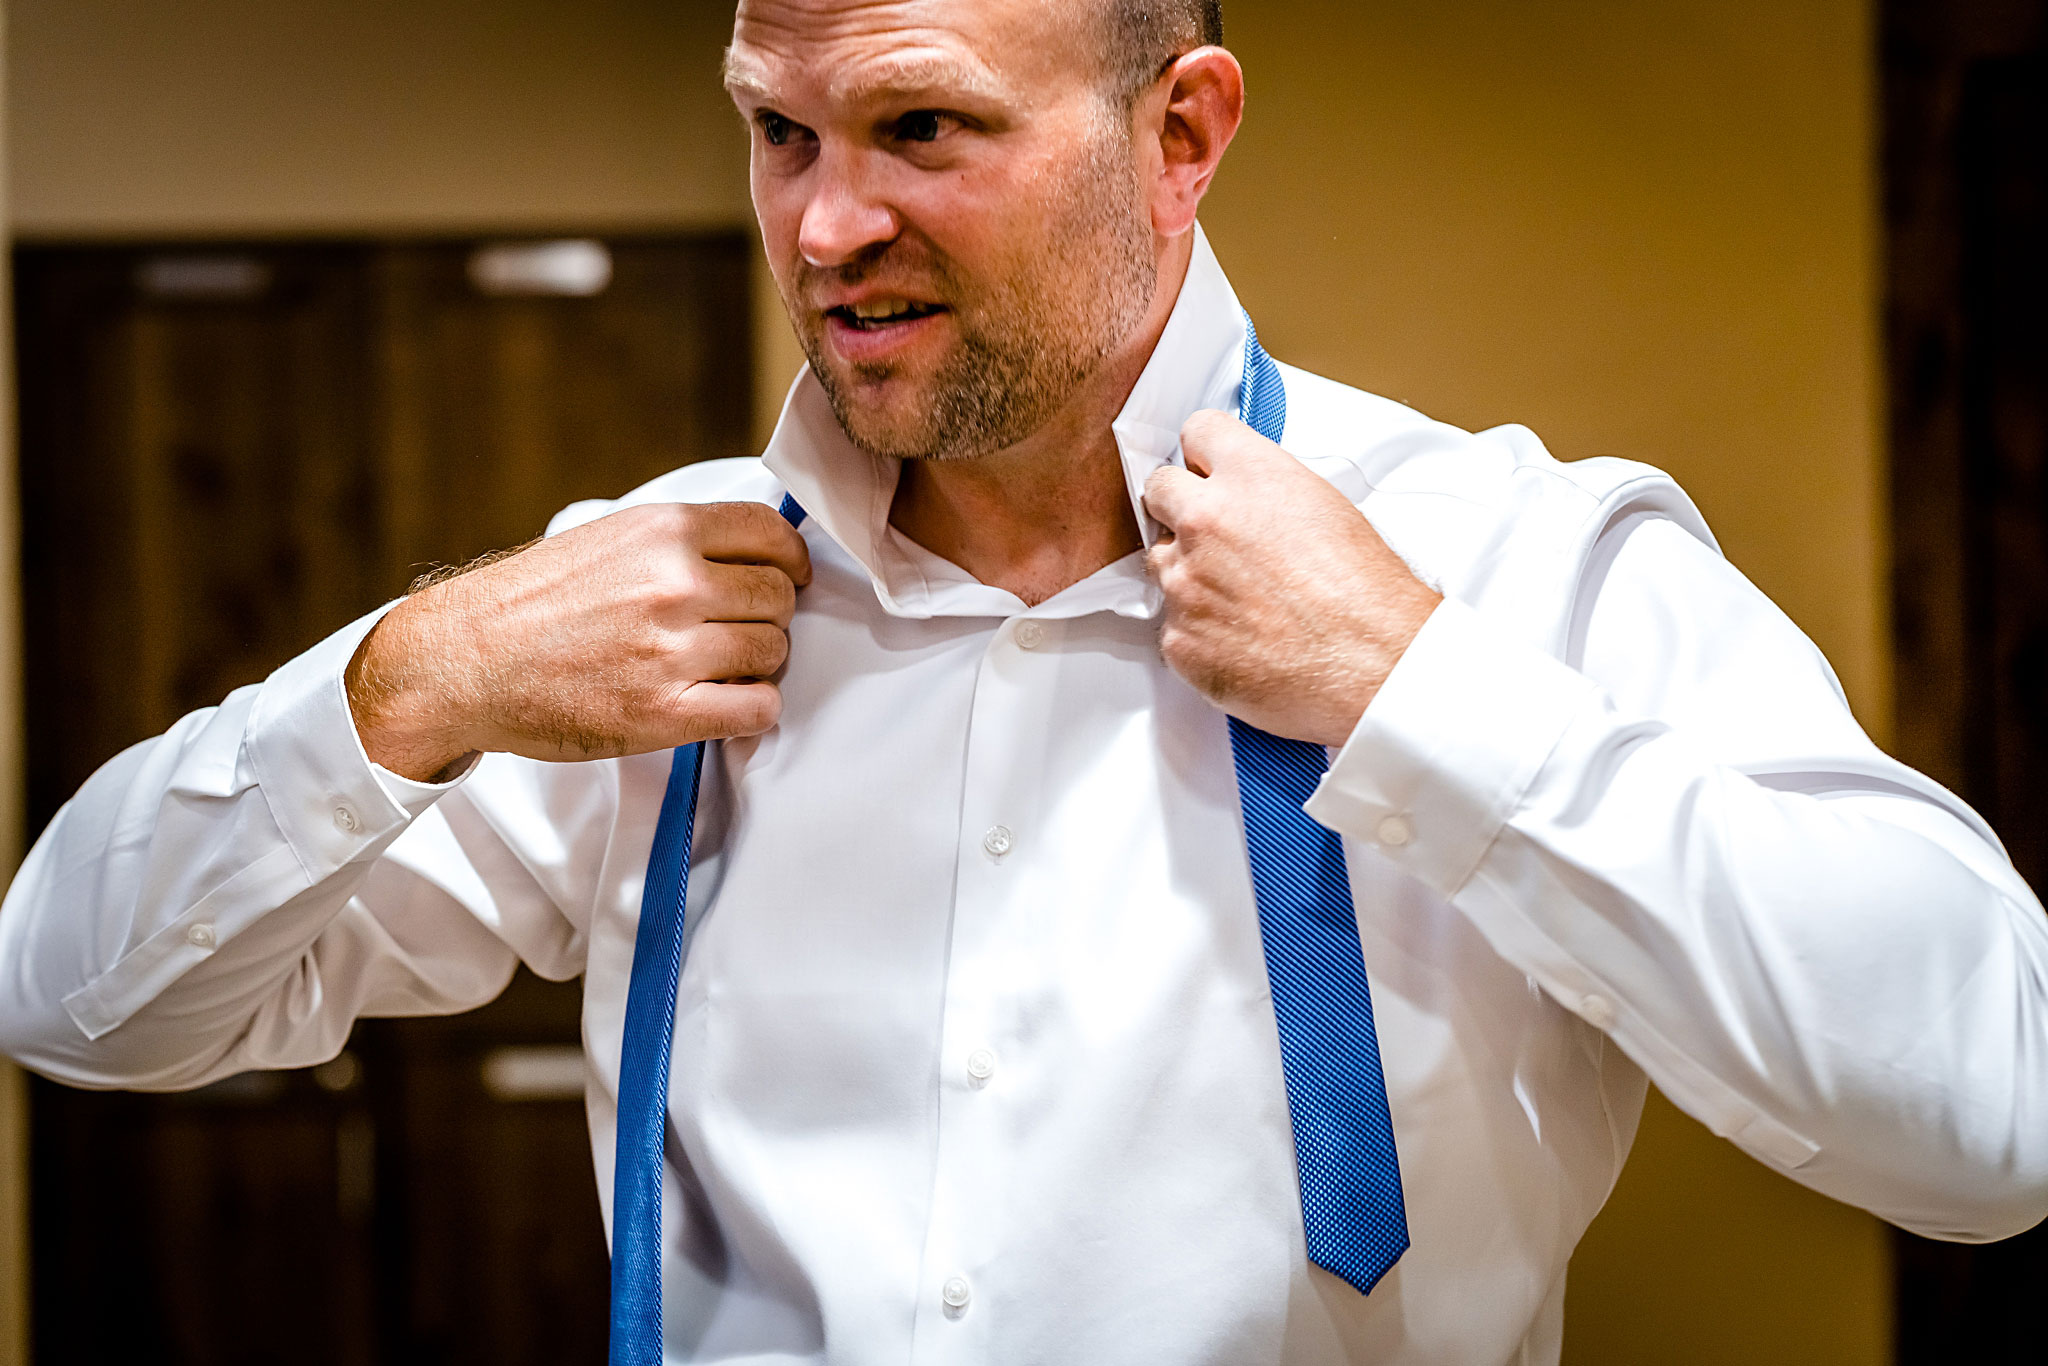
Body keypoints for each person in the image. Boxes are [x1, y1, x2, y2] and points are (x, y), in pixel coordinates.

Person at [5, 0, 2048, 1361]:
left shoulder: (1518, 567)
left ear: (1180, 132)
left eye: (919, 127)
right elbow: (72, 1000)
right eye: (777, 129)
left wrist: (1424, 696)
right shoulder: (636, 614)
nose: (825, 220)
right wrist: (411, 675)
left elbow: (1992, 1109)